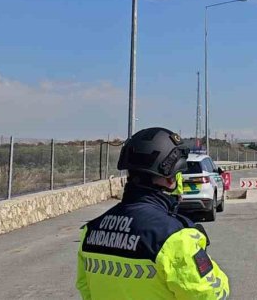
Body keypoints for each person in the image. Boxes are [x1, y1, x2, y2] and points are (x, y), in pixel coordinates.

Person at [76, 127, 230, 299]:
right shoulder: (175, 238)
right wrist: (203, 258)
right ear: (171, 178)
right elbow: (211, 294)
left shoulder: (90, 232)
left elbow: (85, 289)